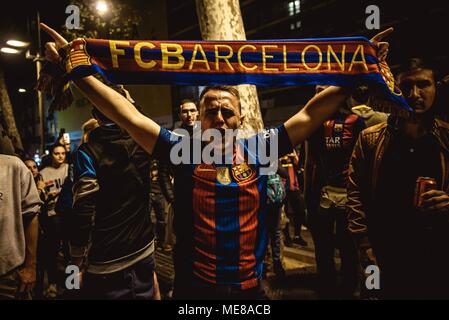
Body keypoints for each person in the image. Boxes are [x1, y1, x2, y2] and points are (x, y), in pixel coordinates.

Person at [40, 23, 391, 299]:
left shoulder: (259, 148)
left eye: (228, 112)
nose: (220, 118)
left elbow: (312, 112)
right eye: (212, 112)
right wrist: (74, 68)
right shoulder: (184, 151)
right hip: (196, 290)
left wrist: (362, 68)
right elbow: (128, 116)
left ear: (240, 119)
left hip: (250, 289)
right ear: (202, 120)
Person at [347, 58, 449, 299]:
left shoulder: (445, 137)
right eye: (407, 86)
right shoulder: (370, 139)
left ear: (436, 88)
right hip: (384, 253)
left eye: (424, 84)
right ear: (395, 89)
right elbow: (355, 196)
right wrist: (365, 247)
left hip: (435, 252)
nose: (415, 94)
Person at [70, 104, 158, 299]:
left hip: (106, 260)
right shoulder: (143, 141)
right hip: (144, 249)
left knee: (73, 288)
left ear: (96, 116)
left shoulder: (86, 152)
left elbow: (82, 211)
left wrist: (74, 264)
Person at [304, 85, 365, 299]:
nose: (320, 94)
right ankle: (327, 285)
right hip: (323, 193)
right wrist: (307, 196)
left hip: (350, 192)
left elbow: (363, 159)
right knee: (323, 243)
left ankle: (349, 286)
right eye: (318, 91)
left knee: (348, 243)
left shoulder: (356, 121)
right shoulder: (314, 123)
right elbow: (310, 159)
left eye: (325, 90)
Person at [0, 154, 42, 299]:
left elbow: (31, 214)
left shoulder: (12, 166)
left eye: (34, 167)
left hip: (8, 273)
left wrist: (31, 266)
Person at [39, 143, 69, 298]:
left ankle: (72, 284)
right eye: (57, 153)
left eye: (63, 153)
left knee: (71, 252)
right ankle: (53, 283)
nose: (60, 156)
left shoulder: (69, 169)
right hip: (53, 215)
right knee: (52, 252)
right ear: (52, 155)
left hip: (70, 215)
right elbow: (41, 195)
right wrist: (47, 195)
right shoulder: (44, 173)